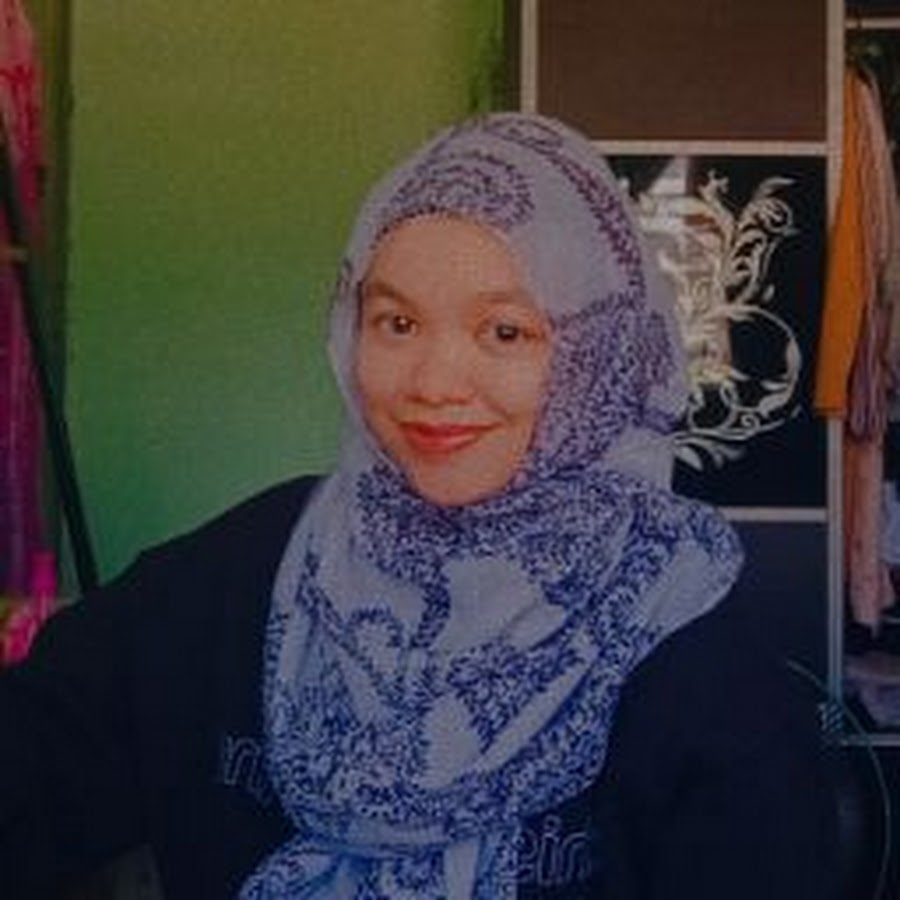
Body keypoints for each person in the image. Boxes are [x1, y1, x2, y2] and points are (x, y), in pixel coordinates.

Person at [0, 113, 836, 899]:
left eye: (505, 332)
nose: (434, 384)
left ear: (599, 354)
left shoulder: (689, 654)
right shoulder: (247, 574)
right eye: (396, 322)